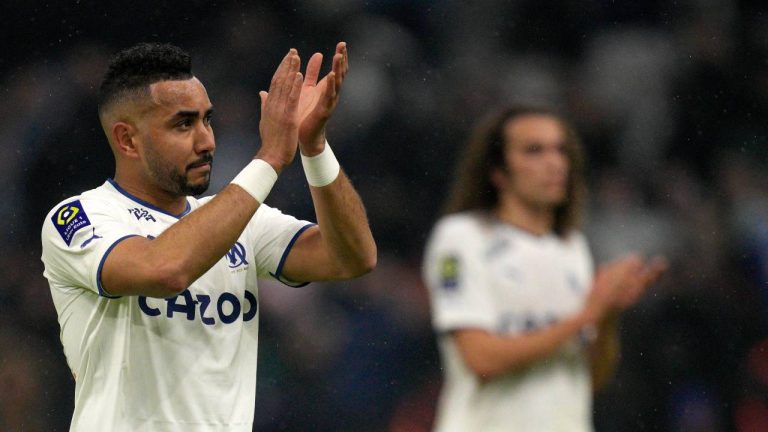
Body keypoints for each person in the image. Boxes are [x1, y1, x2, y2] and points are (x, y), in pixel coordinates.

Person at [40, 42, 376, 431]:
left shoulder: (238, 220)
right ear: (127, 140)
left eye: (207, 120)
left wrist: (314, 147)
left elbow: (353, 258)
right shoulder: (81, 217)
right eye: (183, 124)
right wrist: (267, 160)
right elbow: (165, 270)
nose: (207, 141)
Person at [422, 106, 667, 432]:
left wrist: (607, 314)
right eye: (534, 150)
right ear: (497, 171)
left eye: (561, 150)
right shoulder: (462, 238)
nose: (555, 162)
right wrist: (585, 315)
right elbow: (480, 359)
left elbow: (589, 378)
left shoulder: (572, 248)